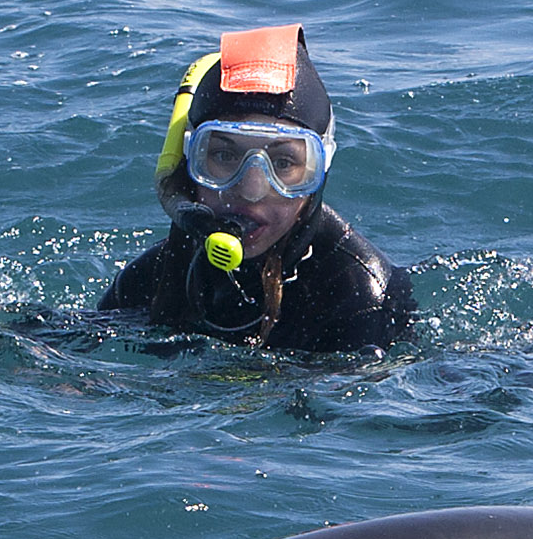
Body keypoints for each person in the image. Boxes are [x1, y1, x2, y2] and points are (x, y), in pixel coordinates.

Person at [100, 23, 414, 352]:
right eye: (224, 155)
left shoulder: (362, 297)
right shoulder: (153, 278)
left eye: (282, 163)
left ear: (319, 171)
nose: (251, 189)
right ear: (189, 160)